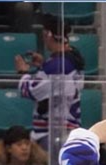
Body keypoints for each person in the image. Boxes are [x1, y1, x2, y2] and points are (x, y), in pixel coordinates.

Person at [16, 14, 85, 149]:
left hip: (53, 133)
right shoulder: (72, 58)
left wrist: (22, 72)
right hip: (66, 128)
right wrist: (43, 65)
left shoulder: (58, 66)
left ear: (48, 34)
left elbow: (30, 91)